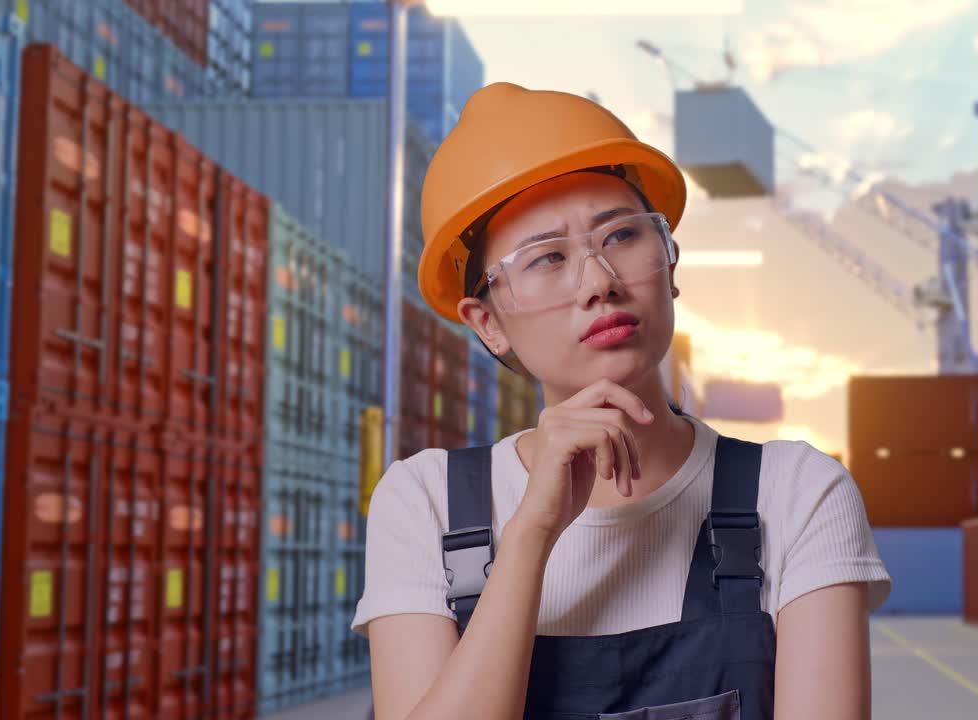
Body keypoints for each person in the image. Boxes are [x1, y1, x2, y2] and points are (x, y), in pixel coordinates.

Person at [351, 82, 892, 720]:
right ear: (488, 323)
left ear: (669, 262)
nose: (599, 282)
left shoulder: (797, 493)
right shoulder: (426, 503)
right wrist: (531, 534)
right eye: (546, 258)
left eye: (621, 236)